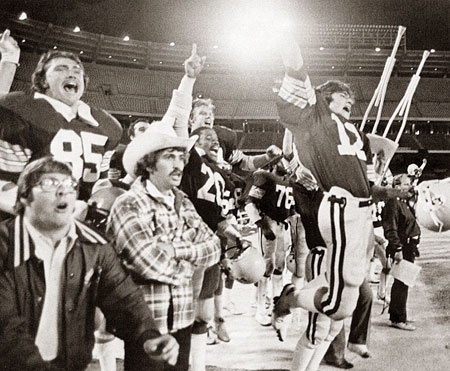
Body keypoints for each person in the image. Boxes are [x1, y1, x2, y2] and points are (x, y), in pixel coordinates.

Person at [272, 34, 414, 371]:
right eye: (341, 95)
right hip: (339, 208)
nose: (349, 99)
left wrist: (388, 192)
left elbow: (364, 183)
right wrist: (289, 42)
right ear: (323, 97)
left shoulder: (355, 134)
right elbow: (298, 75)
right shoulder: (314, 115)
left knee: (337, 317)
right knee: (334, 306)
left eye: (351, 97)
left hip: (360, 211)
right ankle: (291, 297)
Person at [0, 157, 179, 371]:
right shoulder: (4, 245)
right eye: (49, 184)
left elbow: (124, 299)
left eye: (69, 185)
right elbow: (5, 327)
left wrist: (148, 336)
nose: (63, 191)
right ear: (24, 197)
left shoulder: (94, 246)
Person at [107, 122, 221, 371]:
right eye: (169, 157)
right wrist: (190, 264)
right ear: (148, 164)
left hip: (182, 320)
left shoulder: (184, 203)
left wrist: (177, 251)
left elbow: (215, 248)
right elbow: (150, 263)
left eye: (181, 157)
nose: (179, 164)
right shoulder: (129, 203)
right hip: (146, 325)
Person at [0, 33, 123, 217]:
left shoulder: (105, 124)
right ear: (43, 81)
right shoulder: (23, 111)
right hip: (26, 224)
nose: (72, 72)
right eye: (61, 69)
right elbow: (3, 183)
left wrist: (104, 200)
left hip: (78, 225)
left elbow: (100, 181)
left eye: (76, 69)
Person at [180, 126, 241, 370]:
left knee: (203, 312)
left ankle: (198, 364)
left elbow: (223, 209)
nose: (214, 141)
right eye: (208, 137)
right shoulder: (190, 160)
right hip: (192, 239)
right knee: (186, 309)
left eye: (216, 139)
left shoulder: (218, 169)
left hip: (213, 242)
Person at [382, 173, 421, 331]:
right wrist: (397, 248)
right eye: (406, 184)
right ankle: (398, 318)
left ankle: (399, 315)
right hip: (402, 247)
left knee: (403, 282)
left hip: (408, 246)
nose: (409, 186)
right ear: (397, 187)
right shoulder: (393, 203)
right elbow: (390, 228)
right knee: (401, 282)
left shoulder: (402, 202)